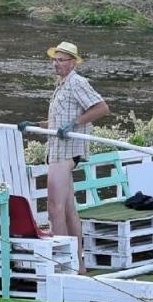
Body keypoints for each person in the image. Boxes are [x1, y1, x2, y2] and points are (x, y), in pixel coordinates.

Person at [32, 41, 110, 263]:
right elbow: (59, 121)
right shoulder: (61, 84)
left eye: (61, 60)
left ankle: (62, 261)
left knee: (54, 208)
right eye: (54, 60)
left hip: (66, 152)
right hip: (57, 149)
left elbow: (101, 108)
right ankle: (77, 262)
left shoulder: (77, 83)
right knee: (67, 209)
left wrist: (75, 123)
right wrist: (37, 125)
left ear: (72, 63)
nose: (55, 64)